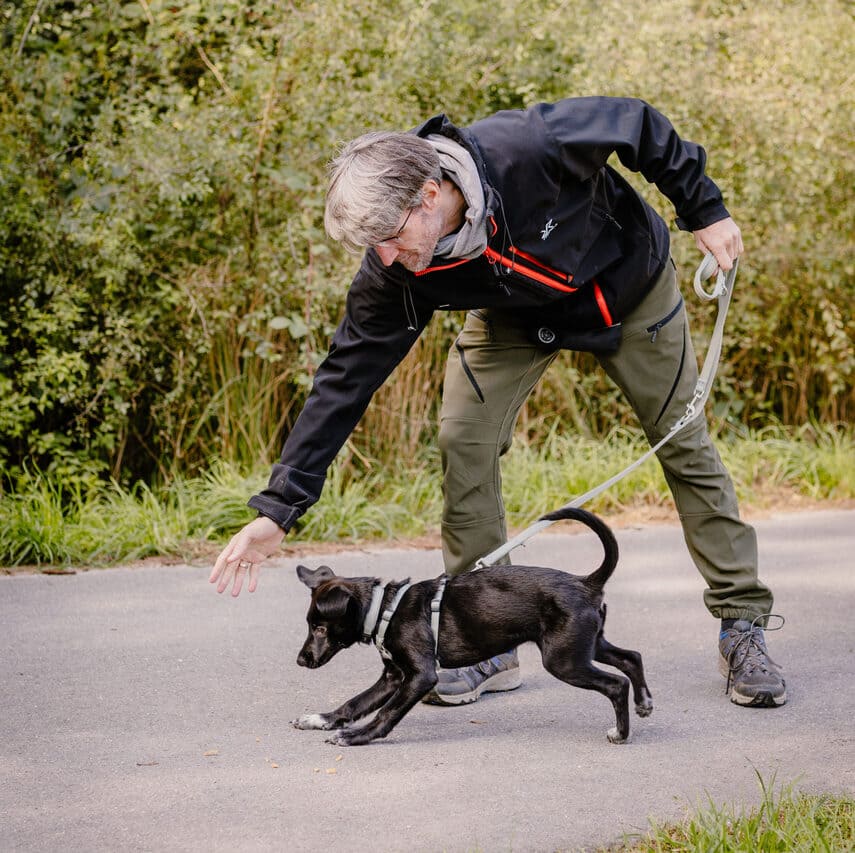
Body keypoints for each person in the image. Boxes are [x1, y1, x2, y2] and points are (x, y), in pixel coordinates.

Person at [209, 96, 786, 709]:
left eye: (387, 237)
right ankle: (486, 643)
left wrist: (704, 207)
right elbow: (344, 378)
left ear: (429, 196)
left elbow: (634, 122)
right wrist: (278, 509)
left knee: (683, 443)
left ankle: (741, 623)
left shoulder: (529, 147)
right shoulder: (396, 269)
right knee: (465, 439)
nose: (383, 257)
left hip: (628, 290)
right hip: (515, 317)